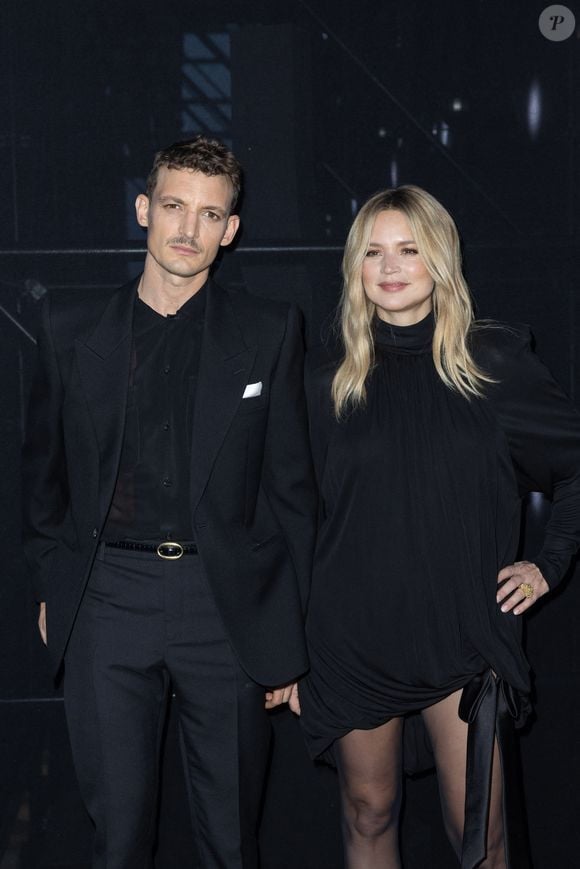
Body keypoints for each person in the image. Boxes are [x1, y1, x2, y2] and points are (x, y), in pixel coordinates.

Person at [22, 135, 316, 868]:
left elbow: (290, 489)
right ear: (144, 210)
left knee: (230, 838)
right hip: (107, 595)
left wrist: (288, 631)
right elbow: (38, 474)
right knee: (117, 837)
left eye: (211, 214)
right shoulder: (68, 326)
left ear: (232, 229)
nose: (189, 230)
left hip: (224, 605)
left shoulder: (270, 330)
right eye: (176, 207)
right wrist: (55, 580)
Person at [298, 185, 580, 869]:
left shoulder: (495, 365)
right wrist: (281, 645)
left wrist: (549, 561)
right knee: (369, 812)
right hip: (351, 638)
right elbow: (287, 515)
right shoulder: (322, 380)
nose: (391, 267)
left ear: (441, 260)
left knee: (479, 832)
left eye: (410, 249)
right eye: (374, 251)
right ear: (354, 267)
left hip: (464, 634)